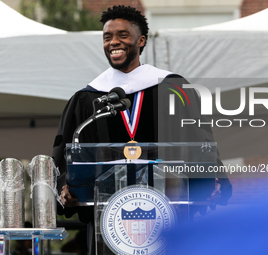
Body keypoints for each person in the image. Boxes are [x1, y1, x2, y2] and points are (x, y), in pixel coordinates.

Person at [52, 5, 232, 254]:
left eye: (123, 35)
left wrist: (210, 180)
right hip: (109, 226)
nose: (114, 42)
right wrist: (64, 189)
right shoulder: (86, 98)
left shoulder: (173, 88)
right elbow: (65, 154)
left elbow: (199, 138)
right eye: (107, 37)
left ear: (141, 40)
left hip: (170, 216)